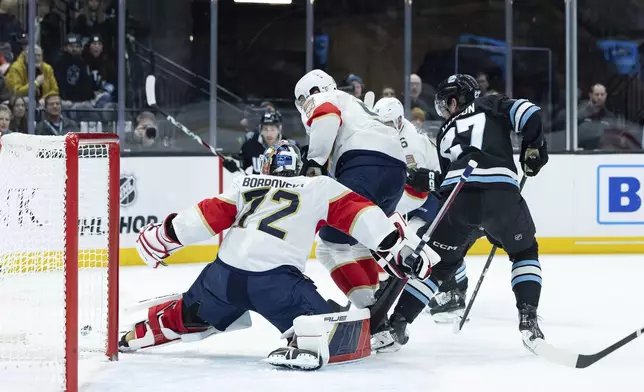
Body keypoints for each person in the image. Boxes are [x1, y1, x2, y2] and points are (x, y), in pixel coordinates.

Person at [120, 141, 439, 371]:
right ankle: (307, 339)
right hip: (275, 285)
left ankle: (148, 328)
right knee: (326, 328)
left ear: (267, 166)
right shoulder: (318, 187)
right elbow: (362, 215)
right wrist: (399, 250)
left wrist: (163, 236)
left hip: (222, 278)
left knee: (192, 314)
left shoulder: (245, 183)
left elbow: (205, 216)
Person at [399, 74, 548, 351]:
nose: (444, 109)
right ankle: (528, 318)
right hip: (501, 197)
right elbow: (531, 112)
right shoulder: (491, 104)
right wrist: (533, 147)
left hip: (459, 200)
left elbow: (445, 185)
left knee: (438, 267)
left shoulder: (444, 133)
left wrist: (425, 180)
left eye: (446, 103)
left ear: (455, 100)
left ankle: (396, 324)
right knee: (524, 252)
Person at [294, 69, 407, 318]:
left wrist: (314, 162)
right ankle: (378, 302)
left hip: (364, 165)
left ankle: (371, 311)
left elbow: (325, 115)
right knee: (359, 242)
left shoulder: (323, 98)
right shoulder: (352, 104)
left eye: (303, 102)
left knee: (330, 244)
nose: (305, 107)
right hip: (396, 171)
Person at [228, 109, 296, 174]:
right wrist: (233, 165)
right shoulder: (249, 145)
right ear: (261, 129)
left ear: (279, 129)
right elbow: (242, 165)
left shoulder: (290, 148)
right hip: (257, 186)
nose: (269, 134)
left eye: (272, 129)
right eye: (265, 129)